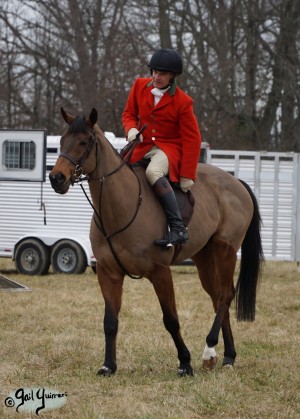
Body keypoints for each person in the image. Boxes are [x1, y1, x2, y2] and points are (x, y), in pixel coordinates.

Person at [122, 48, 202, 247]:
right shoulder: (139, 86)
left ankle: (177, 228)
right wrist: (131, 130)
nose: (156, 77)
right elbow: (129, 114)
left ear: (172, 76)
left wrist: (187, 174)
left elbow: (193, 139)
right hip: (142, 144)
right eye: (154, 72)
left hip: (168, 148)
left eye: (162, 74)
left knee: (152, 172)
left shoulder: (183, 102)